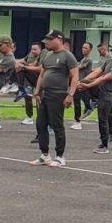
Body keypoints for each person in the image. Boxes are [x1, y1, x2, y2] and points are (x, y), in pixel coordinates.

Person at [31, 32, 80, 166]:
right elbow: (42, 75)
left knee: (57, 125)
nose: (47, 42)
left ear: (59, 39)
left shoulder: (67, 56)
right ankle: (45, 155)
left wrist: (70, 94)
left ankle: (60, 156)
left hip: (58, 94)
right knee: (41, 124)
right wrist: (37, 91)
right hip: (45, 94)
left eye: (50, 40)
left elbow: (75, 76)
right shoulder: (47, 55)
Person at [79, 44, 112, 152]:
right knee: (102, 118)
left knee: (104, 117)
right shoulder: (109, 61)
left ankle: (105, 144)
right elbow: (97, 72)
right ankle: (92, 103)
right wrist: (83, 81)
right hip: (102, 91)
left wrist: (88, 85)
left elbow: (104, 78)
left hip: (110, 94)